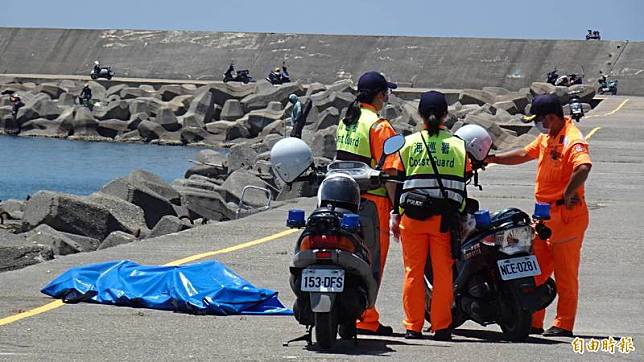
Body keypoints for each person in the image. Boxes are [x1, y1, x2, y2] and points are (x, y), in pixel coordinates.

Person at [486, 94, 592, 337]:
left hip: (566, 218)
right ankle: (534, 320)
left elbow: (583, 167)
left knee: (565, 274)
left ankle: (564, 324)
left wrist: (567, 193)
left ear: (551, 117)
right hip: (544, 218)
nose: (537, 124)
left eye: (539, 120)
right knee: (535, 271)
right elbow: (523, 154)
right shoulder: (546, 137)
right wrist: (492, 159)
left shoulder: (572, 139)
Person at [390, 91, 468, 341]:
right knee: (444, 272)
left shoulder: (408, 143)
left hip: (412, 217)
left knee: (413, 271)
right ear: (446, 114)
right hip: (444, 220)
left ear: (421, 116)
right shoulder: (458, 144)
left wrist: (395, 212)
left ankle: (413, 326)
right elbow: (464, 177)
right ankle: (441, 326)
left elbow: (396, 179)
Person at [335, 71, 399, 336]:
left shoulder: (346, 120)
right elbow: (392, 172)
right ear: (380, 95)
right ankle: (366, 318)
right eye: (387, 93)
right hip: (372, 203)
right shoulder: (379, 126)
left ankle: (342, 308)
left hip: (342, 198)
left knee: (345, 255)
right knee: (371, 260)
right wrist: (398, 208)